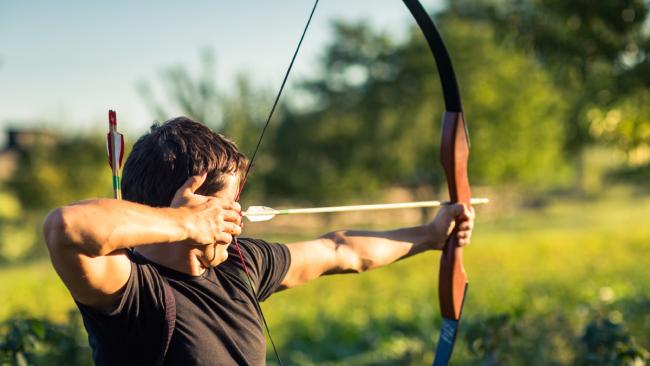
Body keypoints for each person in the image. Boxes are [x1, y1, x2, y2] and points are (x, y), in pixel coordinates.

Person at [43, 117, 474, 366]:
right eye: (229, 204)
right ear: (196, 207)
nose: (239, 216)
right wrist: (182, 224)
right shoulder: (132, 292)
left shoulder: (239, 264)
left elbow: (341, 250)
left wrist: (431, 235)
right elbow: (65, 227)